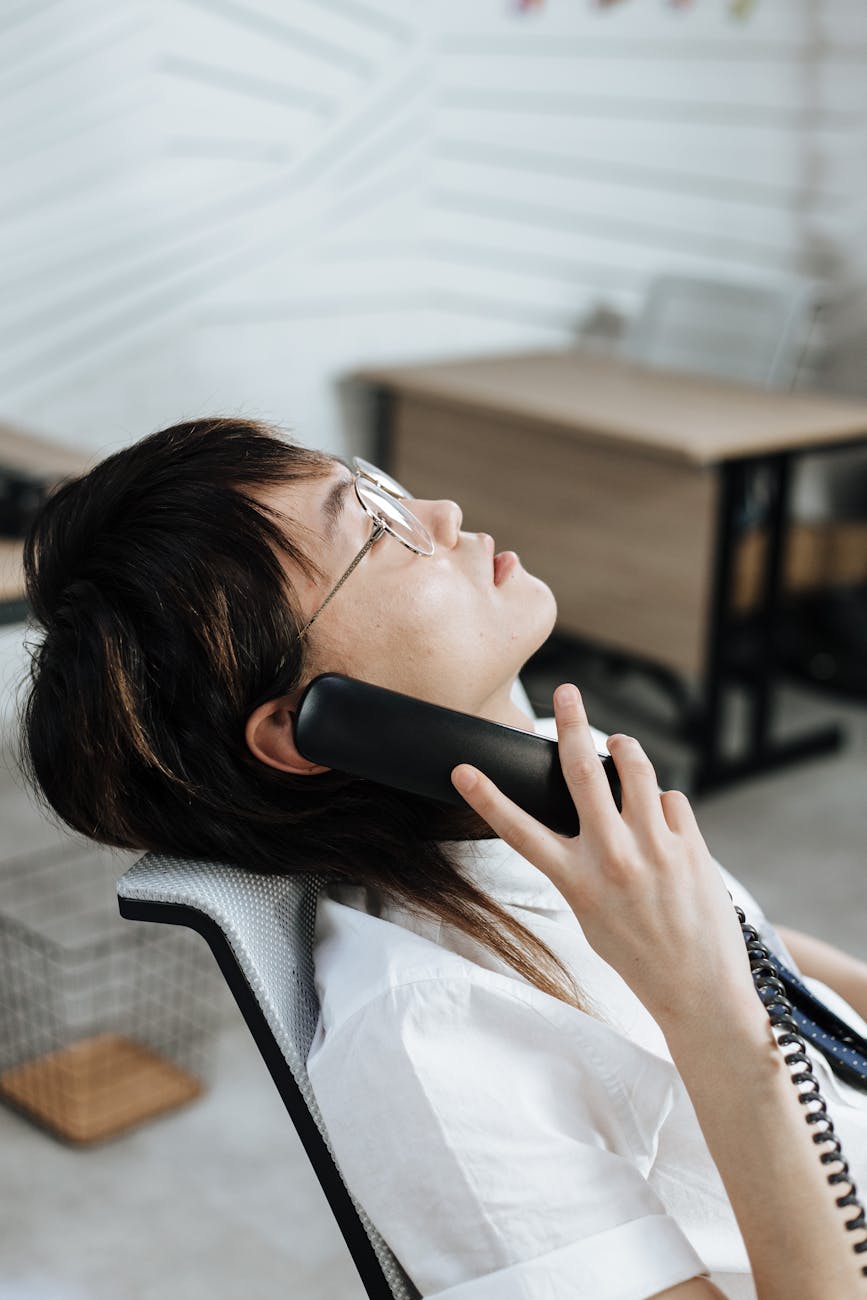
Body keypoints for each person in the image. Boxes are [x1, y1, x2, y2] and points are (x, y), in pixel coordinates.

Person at [19, 417, 867, 1299]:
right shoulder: (428, 1047)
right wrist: (711, 1019)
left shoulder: (552, 783)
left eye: (382, 486)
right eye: (378, 529)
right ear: (312, 722)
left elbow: (759, 950)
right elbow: (721, 983)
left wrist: (727, 976)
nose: (443, 512)